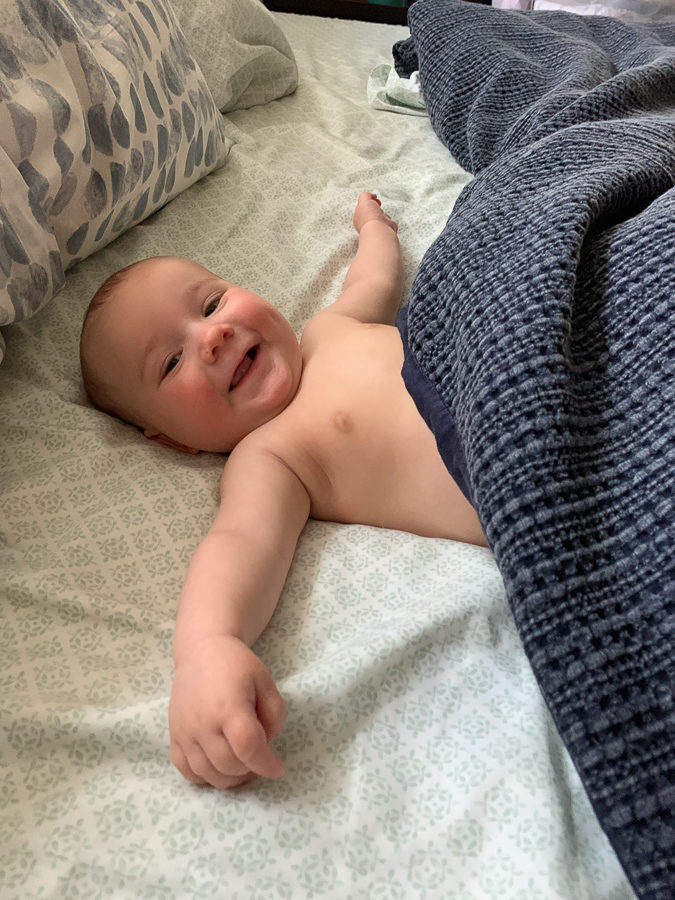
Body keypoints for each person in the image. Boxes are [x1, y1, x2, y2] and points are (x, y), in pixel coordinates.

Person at [80, 192, 487, 790]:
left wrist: (373, 227)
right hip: (508, 456)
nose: (212, 335)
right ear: (172, 441)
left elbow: (374, 278)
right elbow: (240, 543)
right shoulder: (271, 456)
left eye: (211, 303)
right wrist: (207, 648)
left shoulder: (328, 328)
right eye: (170, 363)